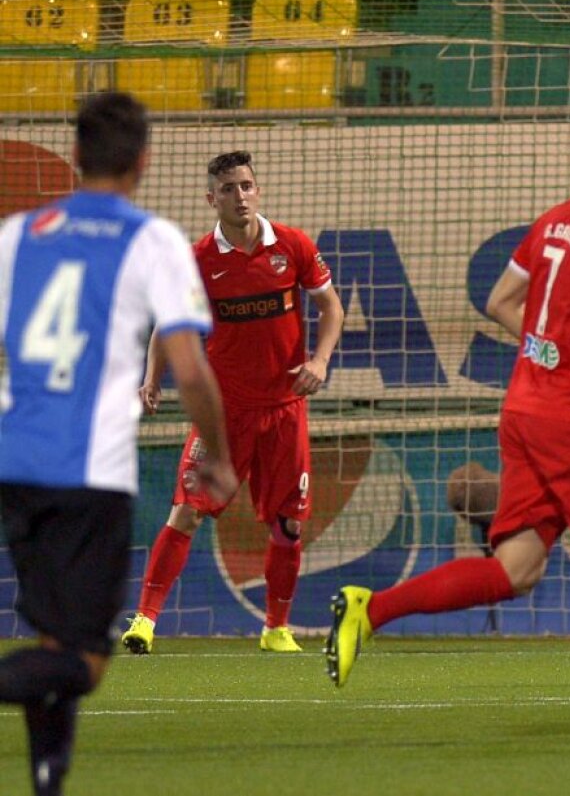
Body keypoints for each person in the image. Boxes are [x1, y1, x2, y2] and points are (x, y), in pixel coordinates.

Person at [324, 110, 570, 740]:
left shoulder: (554, 219)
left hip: (524, 407)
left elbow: (501, 301)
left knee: (516, 568)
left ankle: (370, 610)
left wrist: (543, 346)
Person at [0, 92, 237, 796]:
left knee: (54, 641)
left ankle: (48, 779)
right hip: (91, 471)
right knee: (87, 660)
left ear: (75, 156)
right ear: (144, 161)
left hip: (17, 462)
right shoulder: (154, 241)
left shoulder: (17, 235)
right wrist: (220, 457)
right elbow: (190, 368)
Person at [121, 150, 345, 655]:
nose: (240, 196)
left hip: (285, 410)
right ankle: (145, 621)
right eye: (228, 189)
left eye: (246, 186)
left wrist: (320, 360)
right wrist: (151, 379)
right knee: (186, 512)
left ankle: (276, 629)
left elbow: (331, 307)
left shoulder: (293, 245)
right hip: (223, 414)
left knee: (289, 524)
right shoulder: (197, 260)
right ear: (212, 199)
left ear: (257, 190)